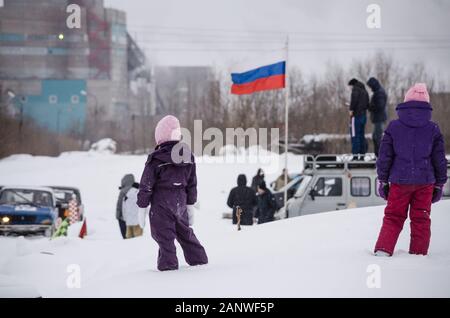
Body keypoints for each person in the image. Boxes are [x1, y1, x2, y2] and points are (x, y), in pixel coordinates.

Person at [374, 83, 447, 257]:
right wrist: (439, 184)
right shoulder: (433, 129)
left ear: (406, 103)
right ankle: (418, 255)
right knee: (421, 219)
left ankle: (383, 251)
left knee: (393, 216)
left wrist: (383, 180)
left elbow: (384, 157)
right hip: (425, 183)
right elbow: (439, 159)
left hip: (399, 182)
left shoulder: (393, 127)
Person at [137, 115, 208, 271]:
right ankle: (199, 261)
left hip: (161, 205)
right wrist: (190, 204)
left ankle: (168, 268)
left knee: (164, 238)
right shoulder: (187, 156)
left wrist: (142, 206)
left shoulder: (156, 159)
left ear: (160, 136)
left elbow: (146, 185)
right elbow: (192, 183)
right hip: (180, 203)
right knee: (185, 233)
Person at [348, 78, 369, 160]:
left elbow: (354, 100)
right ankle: (362, 156)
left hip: (356, 116)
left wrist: (351, 110)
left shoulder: (355, 90)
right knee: (361, 136)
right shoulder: (365, 91)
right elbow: (367, 104)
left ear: (352, 84)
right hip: (364, 116)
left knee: (355, 135)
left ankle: (355, 156)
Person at [367, 77, 388, 157]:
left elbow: (380, 106)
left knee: (377, 138)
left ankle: (380, 157)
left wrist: (369, 106)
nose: (370, 88)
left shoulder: (379, 93)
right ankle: (378, 156)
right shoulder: (378, 92)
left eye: (370, 86)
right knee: (375, 137)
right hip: (378, 119)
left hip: (379, 119)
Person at [116, 174, 135, 239]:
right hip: (135, 218)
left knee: (126, 237)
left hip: (123, 218)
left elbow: (119, 204)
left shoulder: (123, 191)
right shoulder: (136, 190)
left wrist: (118, 215)